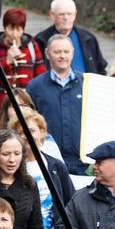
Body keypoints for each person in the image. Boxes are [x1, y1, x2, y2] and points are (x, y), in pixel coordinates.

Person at [0, 8, 44, 137]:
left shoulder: (31, 46)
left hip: (25, 109)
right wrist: (6, 61)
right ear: (4, 27)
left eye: (18, 29)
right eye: (10, 28)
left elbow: (41, 76)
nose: (14, 34)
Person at [27, 34, 86, 174]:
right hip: (49, 160)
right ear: (47, 54)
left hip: (83, 163)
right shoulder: (35, 87)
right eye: (57, 52)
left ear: (73, 53)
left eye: (66, 52)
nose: (62, 56)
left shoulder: (87, 83)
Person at [33, 0, 107, 75]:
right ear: (52, 15)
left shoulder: (88, 38)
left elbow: (100, 68)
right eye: (61, 14)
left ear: (75, 14)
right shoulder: (41, 40)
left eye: (69, 14)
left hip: (84, 85)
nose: (66, 18)